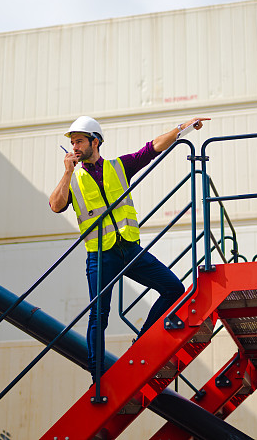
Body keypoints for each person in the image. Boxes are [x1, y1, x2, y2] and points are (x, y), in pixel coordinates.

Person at [49, 115, 210, 381]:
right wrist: (67, 172)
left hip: (129, 250)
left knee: (173, 288)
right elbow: (56, 205)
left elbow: (152, 148)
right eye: (72, 142)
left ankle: (142, 342)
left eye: (79, 141)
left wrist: (184, 128)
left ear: (95, 141)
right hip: (100, 256)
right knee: (98, 316)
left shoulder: (118, 167)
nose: (74, 146)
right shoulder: (73, 178)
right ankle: (98, 378)